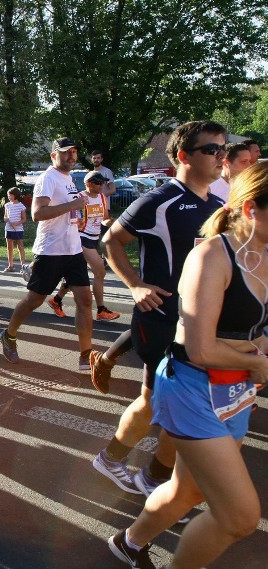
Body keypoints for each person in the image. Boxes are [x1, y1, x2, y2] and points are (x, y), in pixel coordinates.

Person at [108, 161, 266, 569]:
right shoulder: (213, 256)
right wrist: (260, 363)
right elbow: (199, 349)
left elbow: (255, 329)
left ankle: (129, 542)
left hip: (235, 391)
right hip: (192, 387)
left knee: (187, 491)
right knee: (240, 517)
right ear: (250, 209)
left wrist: (257, 355)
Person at [91, 120, 228, 496]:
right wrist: (135, 286)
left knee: (183, 405)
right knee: (157, 403)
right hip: (163, 317)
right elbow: (111, 241)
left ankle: (154, 478)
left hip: (202, 323)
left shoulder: (219, 206)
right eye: (212, 149)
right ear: (184, 156)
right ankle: (114, 461)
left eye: (224, 149)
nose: (222, 156)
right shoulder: (159, 200)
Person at [0, 137, 93, 371]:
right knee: (35, 300)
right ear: (53, 156)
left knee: (85, 299)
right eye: (65, 152)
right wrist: (72, 207)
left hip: (73, 249)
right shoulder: (47, 178)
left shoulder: (69, 179)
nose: (71, 156)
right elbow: (38, 214)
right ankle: (8, 335)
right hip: (50, 250)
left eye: (74, 151)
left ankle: (86, 355)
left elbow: (65, 212)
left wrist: (76, 217)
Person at [47, 171, 121, 321]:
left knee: (76, 274)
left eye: (104, 183)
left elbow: (104, 218)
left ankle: (56, 300)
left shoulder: (101, 197)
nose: (103, 186)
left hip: (94, 238)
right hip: (80, 238)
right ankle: (101, 310)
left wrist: (113, 223)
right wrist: (78, 221)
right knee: (100, 271)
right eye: (99, 183)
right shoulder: (79, 197)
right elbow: (73, 218)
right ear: (89, 184)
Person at [3, 187, 27, 272]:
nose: (9, 197)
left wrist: (16, 223)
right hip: (8, 228)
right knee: (9, 247)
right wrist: (6, 219)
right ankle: (11, 266)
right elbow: (5, 216)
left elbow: (24, 219)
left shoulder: (21, 206)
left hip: (18, 229)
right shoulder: (7, 205)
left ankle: (23, 267)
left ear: (15, 195)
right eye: (8, 195)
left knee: (20, 246)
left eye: (10, 195)